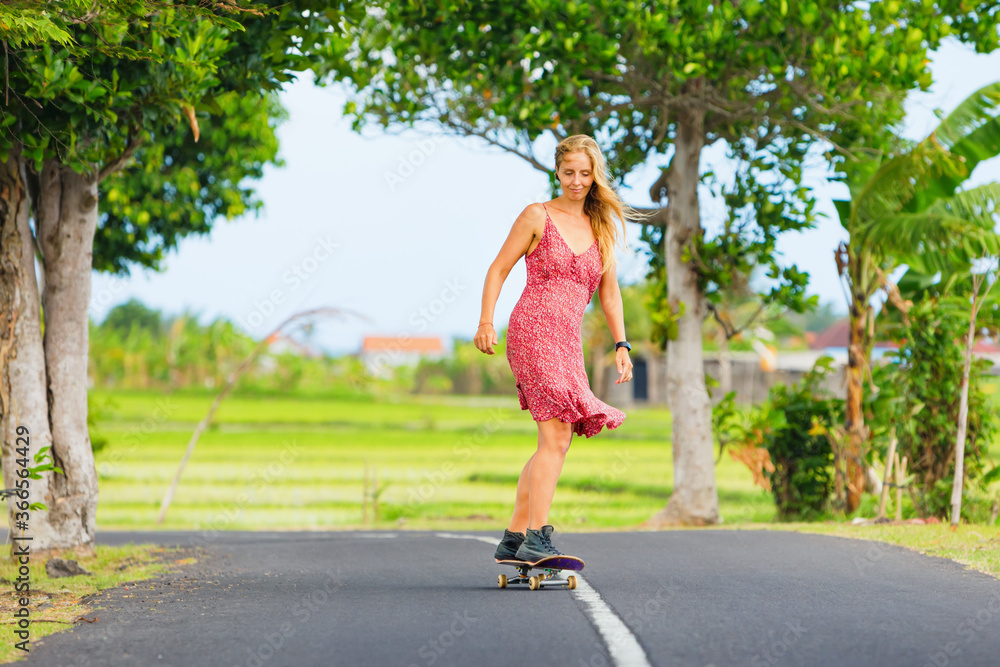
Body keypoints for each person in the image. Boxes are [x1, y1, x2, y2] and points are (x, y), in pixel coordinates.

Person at [474, 134, 642, 564]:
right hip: (532, 329)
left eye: (585, 174)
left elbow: (610, 295)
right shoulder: (536, 216)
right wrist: (486, 321)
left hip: (568, 341)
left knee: (554, 440)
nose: (577, 181)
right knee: (557, 436)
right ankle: (536, 537)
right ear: (557, 171)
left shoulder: (600, 226)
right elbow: (497, 269)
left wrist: (622, 343)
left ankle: (513, 537)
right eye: (569, 173)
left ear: (595, 175)